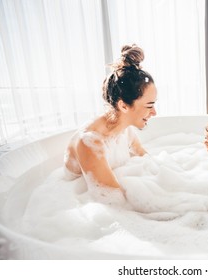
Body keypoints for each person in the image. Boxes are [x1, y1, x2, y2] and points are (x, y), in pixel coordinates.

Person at [64, 44, 157, 196]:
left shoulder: (124, 130)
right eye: (149, 106)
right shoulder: (89, 142)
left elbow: (148, 161)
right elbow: (113, 200)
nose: (154, 112)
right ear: (123, 106)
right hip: (71, 200)